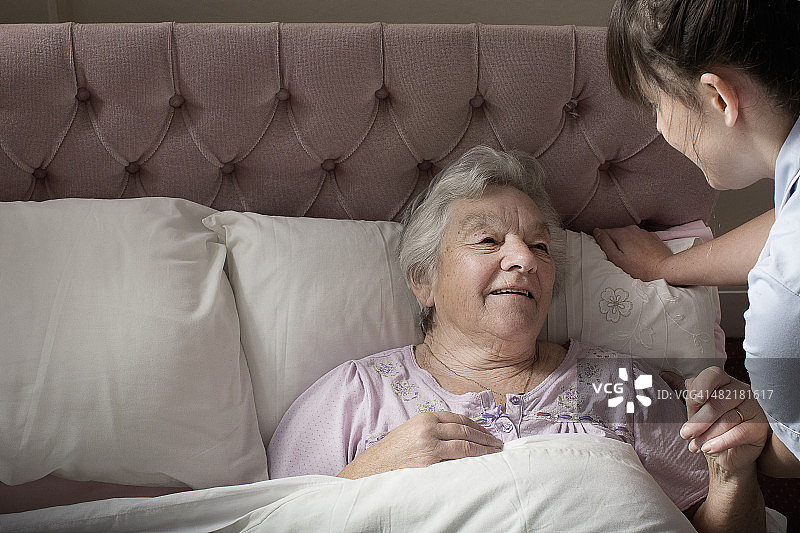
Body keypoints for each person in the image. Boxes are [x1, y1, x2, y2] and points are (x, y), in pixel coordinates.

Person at [268, 146, 766, 531]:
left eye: (540, 245)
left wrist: (732, 476)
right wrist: (367, 476)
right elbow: (270, 521)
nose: (523, 259)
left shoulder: (615, 383)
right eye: (487, 240)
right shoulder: (356, 396)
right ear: (424, 280)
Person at [596, 0, 800, 479]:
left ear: (720, 98)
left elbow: (790, 458)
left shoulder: (782, 305)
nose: (661, 126)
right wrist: (666, 268)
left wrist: (756, 421)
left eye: (657, 103)